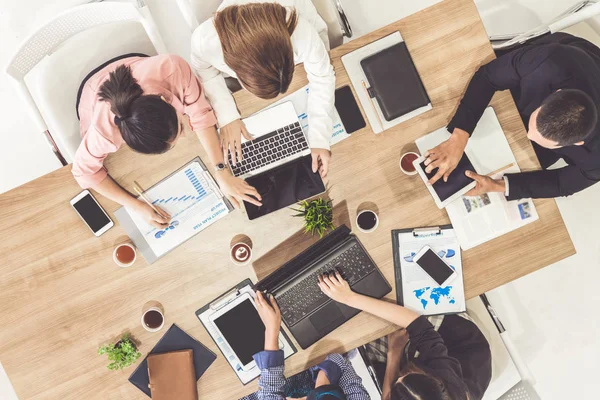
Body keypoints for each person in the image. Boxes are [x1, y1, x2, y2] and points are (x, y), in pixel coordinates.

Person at [74, 54, 262, 228]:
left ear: (166, 100)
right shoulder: (103, 130)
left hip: (142, 68)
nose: (186, 134)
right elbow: (83, 173)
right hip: (93, 94)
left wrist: (221, 170)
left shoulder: (174, 68)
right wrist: (137, 206)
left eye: (180, 127)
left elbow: (200, 115)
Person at [423, 33, 600, 199]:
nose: (528, 135)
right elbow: (488, 76)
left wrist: (497, 185)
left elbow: (562, 184)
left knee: (513, 165)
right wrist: (459, 137)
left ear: (577, 143)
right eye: (532, 128)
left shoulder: (596, 160)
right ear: (557, 93)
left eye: (536, 136)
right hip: (560, 64)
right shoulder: (550, 61)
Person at [191, 0, 335, 178]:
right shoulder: (205, 41)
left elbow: (322, 76)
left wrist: (320, 138)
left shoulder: (300, 31)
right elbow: (205, 71)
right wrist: (227, 116)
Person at [318, 272, 492, 400]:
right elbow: (419, 326)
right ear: (435, 380)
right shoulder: (450, 383)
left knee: (364, 330)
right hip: (454, 340)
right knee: (404, 297)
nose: (399, 376)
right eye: (405, 375)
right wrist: (349, 297)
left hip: (421, 360)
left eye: (397, 383)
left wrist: (394, 354)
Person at [244, 291, 370, 400]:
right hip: (311, 378)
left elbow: (270, 390)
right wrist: (322, 386)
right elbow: (341, 363)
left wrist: (272, 329)